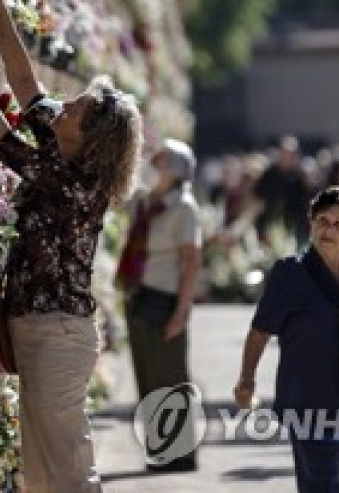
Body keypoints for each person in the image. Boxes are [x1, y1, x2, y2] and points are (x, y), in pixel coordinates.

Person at [0, 0, 143, 492]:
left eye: (76, 109)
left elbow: (3, 143)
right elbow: (25, 84)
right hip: (41, 327)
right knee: (41, 471)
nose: (64, 106)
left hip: (57, 333)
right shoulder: (64, 148)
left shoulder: (78, 182)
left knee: (68, 467)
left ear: (90, 137)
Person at [235, 186, 339, 493]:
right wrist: (247, 380)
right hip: (309, 401)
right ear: (311, 224)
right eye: (322, 220)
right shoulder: (289, 273)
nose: (329, 229)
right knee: (321, 485)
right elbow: (260, 332)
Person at [116, 138, 202, 472]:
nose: (155, 165)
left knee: (170, 375)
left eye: (163, 161)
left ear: (179, 169)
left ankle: (181, 454)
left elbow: (191, 263)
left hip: (165, 299)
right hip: (138, 294)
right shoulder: (143, 201)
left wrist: (182, 312)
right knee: (147, 375)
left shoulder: (184, 207)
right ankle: (159, 448)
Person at [252, 135, 311, 244]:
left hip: (292, 228)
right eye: (285, 153)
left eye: (291, 154)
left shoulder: (299, 177)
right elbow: (258, 199)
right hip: (268, 228)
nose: (287, 157)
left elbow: (304, 202)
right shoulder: (269, 175)